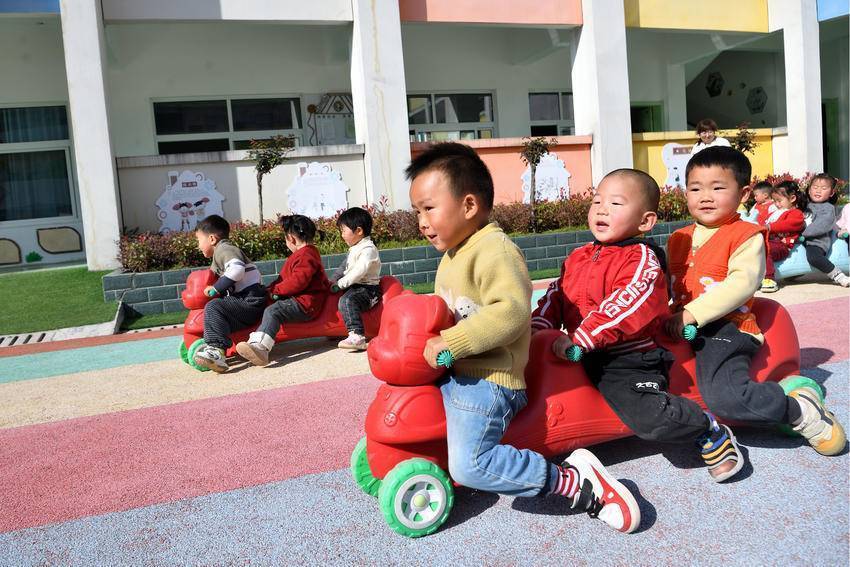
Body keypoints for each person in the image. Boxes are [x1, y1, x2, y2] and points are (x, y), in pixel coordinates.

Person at [407, 142, 641, 534]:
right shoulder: (453, 254)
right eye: (417, 211)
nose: (421, 221)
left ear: (469, 205)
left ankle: (574, 482)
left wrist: (453, 341)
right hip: (459, 372)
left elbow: (512, 313)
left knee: (470, 465)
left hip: (489, 380)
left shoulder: (495, 251)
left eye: (428, 208)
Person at [532, 169, 745, 483]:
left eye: (616, 204)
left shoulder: (642, 259)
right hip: (582, 349)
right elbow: (558, 293)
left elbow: (628, 302)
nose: (602, 210)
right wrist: (538, 326)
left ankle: (707, 429)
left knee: (649, 418)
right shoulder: (579, 256)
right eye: (597, 201)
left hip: (627, 357)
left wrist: (583, 338)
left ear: (645, 222)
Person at [665, 146, 846, 458]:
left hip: (727, 327)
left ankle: (799, 410)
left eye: (717, 188)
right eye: (695, 189)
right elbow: (668, 284)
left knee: (726, 398)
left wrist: (691, 314)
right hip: (682, 323)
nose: (705, 197)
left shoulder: (746, 235)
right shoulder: (678, 237)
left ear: (744, 193)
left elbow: (742, 284)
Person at [235, 215, 330, 366]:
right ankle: (256, 339)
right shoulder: (304, 254)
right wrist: (270, 289)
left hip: (305, 303)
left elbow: (298, 281)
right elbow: (284, 280)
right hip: (301, 301)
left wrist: (276, 291)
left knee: (274, 311)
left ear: (290, 238)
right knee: (269, 308)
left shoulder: (305, 255)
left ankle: (261, 348)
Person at [192, 214, 266, 373]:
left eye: (198, 240)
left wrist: (215, 288)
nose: (198, 246)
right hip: (243, 300)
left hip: (250, 300)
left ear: (212, 239)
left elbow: (237, 270)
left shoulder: (224, 249)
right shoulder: (219, 254)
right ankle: (216, 347)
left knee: (214, 307)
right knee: (218, 309)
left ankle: (216, 351)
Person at [330, 207, 382, 350]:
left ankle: (357, 336)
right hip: (355, 286)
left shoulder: (368, 249)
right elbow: (344, 268)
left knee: (348, 300)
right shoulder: (355, 248)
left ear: (358, 231)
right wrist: (333, 281)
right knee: (336, 298)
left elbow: (358, 271)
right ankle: (335, 329)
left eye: (343, 231)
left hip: (368, 290)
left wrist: (340, 284)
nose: (342, 235)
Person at [802, 174, 850, 287]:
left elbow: (821, 226)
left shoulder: (828, 208)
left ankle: (838, 275)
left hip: (816, 242)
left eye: (824, 188)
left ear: (831, 193)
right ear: (809, 190)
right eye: (815, 187)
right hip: (798, 240)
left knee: (813, 258)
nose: (818, 191)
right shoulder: (805, 205)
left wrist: (802, 233)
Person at [761, 180, 806, 293]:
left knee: (765, 249)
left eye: (779, 200)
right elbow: (762, 224)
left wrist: (770, 227)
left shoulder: (795, 213)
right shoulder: (773, 213)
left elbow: (791, 224)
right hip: (767, 241)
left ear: (792, 198)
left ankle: (769, 279)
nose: (776, 204)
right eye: (774, 201)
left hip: (781, 245)